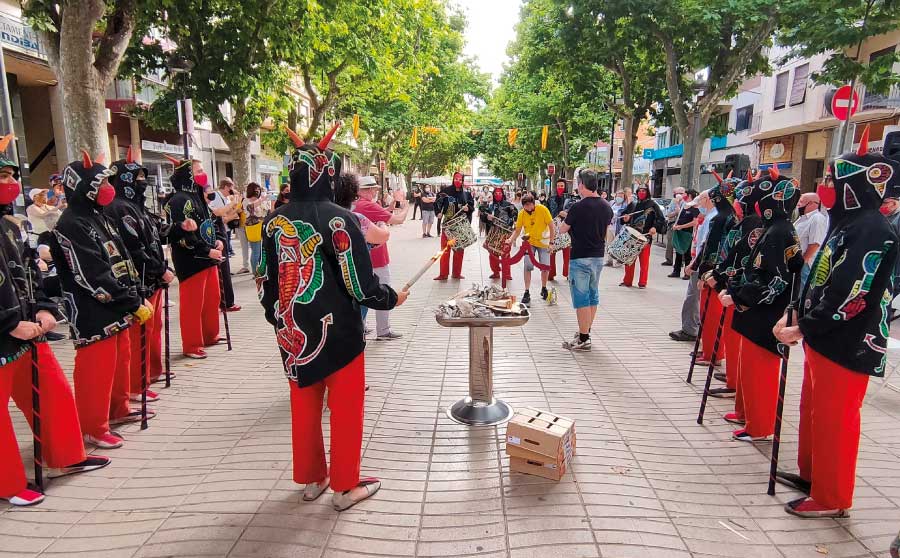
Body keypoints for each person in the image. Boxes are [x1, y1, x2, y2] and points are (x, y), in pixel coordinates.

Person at [258, 125, 408, 512]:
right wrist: (389, 299)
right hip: (337, 332)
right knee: (345, 407)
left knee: (304, 406)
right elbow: (360, 285)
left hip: (292, 334)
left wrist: (278, 317)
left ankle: (313, 479)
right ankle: (345, 485)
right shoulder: (341, 220)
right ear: (328, 173)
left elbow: (263, 280)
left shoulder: (274, 223)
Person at [773, 137, 900, 518]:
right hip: (823, 336)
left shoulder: (872, 230)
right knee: (815, 411)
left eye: (835, 182)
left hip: (848, 341)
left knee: (836, 419)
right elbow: (818, 280)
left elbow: (850, 293)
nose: (828, 188)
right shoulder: (845, 225)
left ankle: (832, 497)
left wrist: (804, 327)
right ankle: (813, 476)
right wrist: (796, 315)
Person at [0, 144, 110, 507]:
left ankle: (65, 457)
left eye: (12, 175)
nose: (12, 182)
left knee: (53, 393)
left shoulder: (11, 226)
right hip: (6, 333)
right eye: (3, 176)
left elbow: (30, 270)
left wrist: (45, 309)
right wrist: (10, 322)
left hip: (29, 331)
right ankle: (8, 482)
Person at [50, 151, 154, 449]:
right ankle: (93, 426)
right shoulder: (71, 224)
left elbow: (120, 255)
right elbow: (91, 273)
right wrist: (130, 301)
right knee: (96, 370)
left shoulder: (99, 216)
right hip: (93, 310)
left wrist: (134, 293)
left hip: (119, 304)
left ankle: (117, 409)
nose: (107, 188)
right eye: (101, 182)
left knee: (120, 362)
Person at [720, 166, 803, 443]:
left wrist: (740, 296)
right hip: (755, 312)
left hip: (766, 313)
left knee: (761, 372)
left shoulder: (780, 232)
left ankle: (760, 425)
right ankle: (747, 413)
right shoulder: (772, 229)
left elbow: (774, 279)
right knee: (749, 369)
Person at [164, 156, 224, 359]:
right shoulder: (178, 200)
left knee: (211, 299)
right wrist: (205, 250)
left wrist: (219, 241)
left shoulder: (198, 196)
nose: (202, 174)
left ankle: (210, 335)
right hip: (191, 260)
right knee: (193, 305)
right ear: (186, 175)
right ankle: (191, 344)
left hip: (209, 257)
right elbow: (181, 235)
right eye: (197, 171)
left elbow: (211, 221)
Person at [557, 170, 613, 351]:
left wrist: (564, 219)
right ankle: (585, 330)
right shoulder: (606, 206)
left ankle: (583, 338)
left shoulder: (577, 207)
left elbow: (563, 230)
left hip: (580, 256)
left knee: (581, 298)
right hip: (598, 256)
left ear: (582, 185)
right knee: (592, 295)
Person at [690, 175, 738, 369]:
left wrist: (703, 273)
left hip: (714, 275)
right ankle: (712, 350)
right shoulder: (732, 217)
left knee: (710, 316)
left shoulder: (721, 218)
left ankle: (712, 353)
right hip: (723, 274)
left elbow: (712, 248)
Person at [354, 176, 409, 340]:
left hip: (360, 256)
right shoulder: (367, 205)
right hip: (376, 256)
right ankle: (383, 330)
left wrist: (388, 209)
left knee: (361, 293)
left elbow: (379, 215)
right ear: (368, 190)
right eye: (374, 189)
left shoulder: (355, 204)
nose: (376, 192)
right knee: (383, 290)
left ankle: (360, 327)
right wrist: (405, 206)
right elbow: (398, 220)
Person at [669, 191, 715, 343]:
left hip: (701, 264)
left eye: (700, 202)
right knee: (694, 297)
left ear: (707, 200)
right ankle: (692, 328)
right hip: (699, 261)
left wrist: (694, 264)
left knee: (693, 297)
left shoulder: (712, 218)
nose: (698, 206)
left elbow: (706, 245)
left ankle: (690, 329)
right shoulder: (709, 217)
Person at [506, 193, 555, 305]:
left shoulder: (542, 209)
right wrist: (510, 239)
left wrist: (552, 243)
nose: (528, 208)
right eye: (525, 206)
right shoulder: (522, 213)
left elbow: (552, 226)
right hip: (529, 243)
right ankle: (527, 291)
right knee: (527, 266)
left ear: (534, 203)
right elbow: (517, 230)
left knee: (545, 266)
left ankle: (544, 288)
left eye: (530, 205)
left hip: (543, 241)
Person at [206, 179, 241, 312]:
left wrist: (234, 210)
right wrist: (233, 205)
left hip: (222, 234)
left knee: (224, 270)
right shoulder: (215, 200)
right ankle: (226, 302)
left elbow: (223, 217)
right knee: (223, 271)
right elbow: (219, 215)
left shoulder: (223, 199)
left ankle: (227, 301)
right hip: (218, 236)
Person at [433, 172, 474, 280]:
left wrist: (468, 208)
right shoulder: (445, 191)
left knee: (459, 250)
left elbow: (471, 206)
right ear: (453, 179)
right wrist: (438, 212)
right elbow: (438, 202)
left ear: (462, 181)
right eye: (456, 179)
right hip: (447, 225)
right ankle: (443, 274)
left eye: (460, 180)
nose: (458, 181)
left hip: (460, 226)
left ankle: (456, 273)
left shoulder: (466, 194)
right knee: (445, 250)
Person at [620, 185, 662, 288]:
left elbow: (661, 219)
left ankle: (643, 282)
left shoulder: (653, 205)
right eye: (640, 191)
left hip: (645, 236)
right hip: (631, 236)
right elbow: (624, 216)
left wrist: (655, 227)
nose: (641, 192)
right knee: (629, 260)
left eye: (644, 191)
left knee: (644, 262)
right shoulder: (633, 205)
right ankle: (627, 281)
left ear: (647, 192)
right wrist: (625, 219)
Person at [479, 186, 517, 280]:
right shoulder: (490, 205)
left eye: (500, 193)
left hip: (505, 232)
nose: (498, 195)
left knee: (505, 252)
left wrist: (513, 220)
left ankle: (507, 274)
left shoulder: (508, 205)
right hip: (493, 231)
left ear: (502, 194)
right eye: (496, 194)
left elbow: (515, 213)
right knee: (492, 253)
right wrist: (487, 217)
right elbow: (483, 215)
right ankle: (495, 272)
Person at [794, 192, 828, 286]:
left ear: (811, 203)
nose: (798, 204)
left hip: (806, 265)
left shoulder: (817, 218)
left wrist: (803, 261)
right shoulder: (802, 218)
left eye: (801, 202)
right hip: (798, 263)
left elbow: (815, 244)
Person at [669, 189, 699, 278]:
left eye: (685, 194)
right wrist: (676, 225)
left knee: (687, 253)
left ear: (689, 195)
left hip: (688, 233)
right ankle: (676, 271)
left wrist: (682, 226)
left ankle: (687, 272)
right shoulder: (684, 205)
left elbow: (695, 222)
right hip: (679, 231)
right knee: (678, 251)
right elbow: (678, 216)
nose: (683, 195)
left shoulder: (694, 207)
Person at [547, 178, 573, 281]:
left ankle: (567, 273)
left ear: (565, 186)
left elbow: (573, 211)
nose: (560, 188)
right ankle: (551, 273)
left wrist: (566, 213)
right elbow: (547, 211)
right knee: (551, 250)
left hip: (566, 227)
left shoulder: (570, 199)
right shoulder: (551, 199)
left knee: (567, 251)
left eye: (562, 186)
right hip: (553, 226)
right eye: (558, 186)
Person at [243, 182, 269, 274]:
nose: (258, 191)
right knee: (256, 251)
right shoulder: (247, 200)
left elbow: (266, 212)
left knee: (260, 251)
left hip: (261, 227)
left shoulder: (260, 200)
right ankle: (255, 272)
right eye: (256, 189)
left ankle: (259, 270)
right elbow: (250, 208)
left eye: (259, 189)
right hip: (253, 227)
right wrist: (262, 199)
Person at [663, 186, 686, 266]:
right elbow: (668, 214)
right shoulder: (673, 201)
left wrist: (677, 209)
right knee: (670, 241)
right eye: (677, 193)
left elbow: (681, 213)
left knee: (680, 243)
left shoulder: (685, 202)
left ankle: (681, 261)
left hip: (682, 224)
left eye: (681, 193)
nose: (679, 195)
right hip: (672, 223)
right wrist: (675, 211)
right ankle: (669, 259)